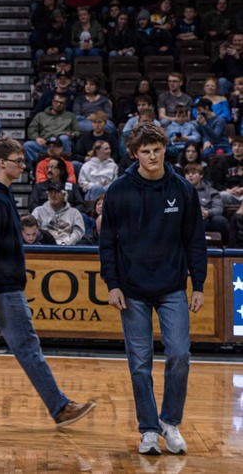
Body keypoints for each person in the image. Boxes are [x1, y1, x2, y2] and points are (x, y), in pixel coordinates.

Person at [0, 137, 95, 427]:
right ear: (2, 163)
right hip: (3, 289)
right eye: (18, 161)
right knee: (27, 347)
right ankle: (60, 407)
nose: (23, 166)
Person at [99, 123, 206, 456]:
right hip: (131, 289)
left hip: (172, 286)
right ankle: (148, 429)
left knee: (180, 355)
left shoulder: (183, 190)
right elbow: (107, 243)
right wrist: (112, 284)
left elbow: (195, 241)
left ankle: (169, 422)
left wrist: (198, 285)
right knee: (140, 362)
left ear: (164, 149)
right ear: (135, 154)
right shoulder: (118, 190)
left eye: (157, 150)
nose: (152, 156)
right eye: (145, 151)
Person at [182, 162, 230, 246]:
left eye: (193, 173)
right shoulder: (180, 191)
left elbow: (218, 208)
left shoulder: (211, 191)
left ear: (201, 175)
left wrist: (207, 212)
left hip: (206, 217)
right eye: (187, 173)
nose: (190, 175)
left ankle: (225, 246)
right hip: (188, 217)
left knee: (219, 220)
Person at [24, 94, 80, 164]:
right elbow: (31, 130)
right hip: (45, 144)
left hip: (60, 144)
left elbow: (77, 131)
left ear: (65, 105)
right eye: (56, 102)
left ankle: (64, 165)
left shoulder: (70, 116)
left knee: (64, 138)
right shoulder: (40, 115)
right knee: (27, 145)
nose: (58, 104)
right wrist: (37, 138)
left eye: (61, 103)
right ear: (52, 102)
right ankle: (40, 165)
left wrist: (73, 134)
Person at [31, 182, 85, 246]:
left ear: (64, 195)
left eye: (56, 192)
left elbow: (78, 232)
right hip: (44, 246)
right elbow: (33, 230)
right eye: (50, 192)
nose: (53, 195)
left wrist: (65, 243)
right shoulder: (38, 211)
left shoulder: (75, 213)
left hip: (67, 247)